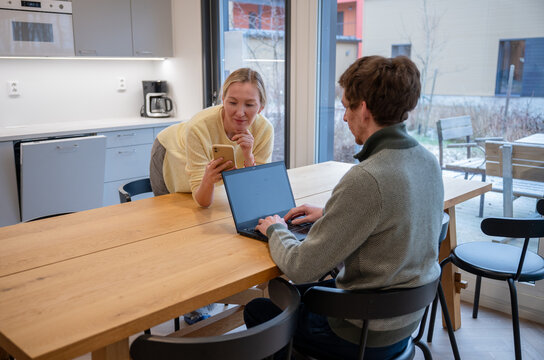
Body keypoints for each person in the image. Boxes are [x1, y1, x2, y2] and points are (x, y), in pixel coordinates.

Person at [244, 56, 444, 359]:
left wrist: (275, 229)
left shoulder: (367, 178)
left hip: (362, 335)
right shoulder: (426, 161)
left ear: (363, 109)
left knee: (261, 310)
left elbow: (299, 268)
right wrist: (331, 215)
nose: (344, 118)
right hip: (403, 327)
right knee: (310, 293)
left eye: (347, 107)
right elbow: (396, 214)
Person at [150, 67, 274, 207]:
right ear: (223, 100)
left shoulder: (264, 130)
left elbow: (256, 192)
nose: (240, 113)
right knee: (167, 214)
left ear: (261, 107)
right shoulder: (198, 127)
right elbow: (203, 202)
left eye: (250, 104)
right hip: (172, 150)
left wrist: (248, 158)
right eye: (232, 103)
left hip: (199, 167)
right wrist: (208, 181)